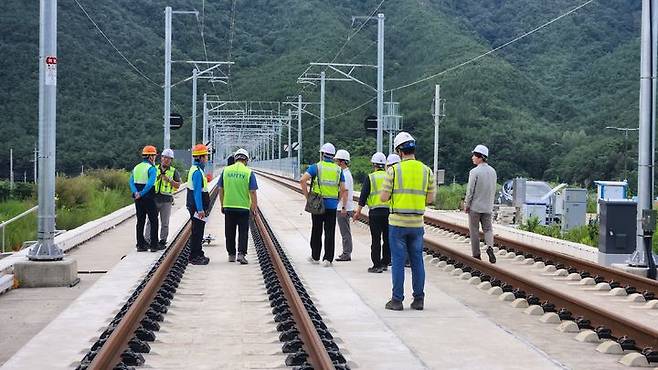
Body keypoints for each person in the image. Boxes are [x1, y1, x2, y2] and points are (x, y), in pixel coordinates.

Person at [381, 132, 435, 311]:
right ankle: (418, 299)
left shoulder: (393, 171)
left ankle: (397, 300)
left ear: (399, 151)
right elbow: (430, 199)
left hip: (397, 223)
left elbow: (383, 197)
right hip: (417, 224)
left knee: (397, 261)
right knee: (417, 261)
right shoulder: (427, 171)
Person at [300, 143, 347, 267]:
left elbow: (303, 180)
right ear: (333, 156)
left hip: (318, 204)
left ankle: (315, 257)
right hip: (332, 205)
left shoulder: (316, 167)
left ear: (322, 154)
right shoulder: (338, 170)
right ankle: (328, 259)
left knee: (316, 230)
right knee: (330, 232)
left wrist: (308, 197)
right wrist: (337, 200)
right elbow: (343, 189)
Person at [219, 148, 258, 265]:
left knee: (229, 231)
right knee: (243, 231)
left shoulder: (225, 171)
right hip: (243, 207)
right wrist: (254, 207)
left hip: (228, 206)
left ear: (235, 158)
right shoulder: (248, 172)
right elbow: (252, 192)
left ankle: (231, 254)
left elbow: (220, 189)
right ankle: (241, 254)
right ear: (246, 160)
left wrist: (222, 204)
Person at [354, 152, 390, 273]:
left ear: (374, 164)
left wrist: (358, 212)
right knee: (387, 239)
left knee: (376, 239)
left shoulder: (371, 177)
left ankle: (377, 265)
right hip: (388, 212)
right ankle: (385, 262)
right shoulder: (389, 176)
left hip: (375, 213)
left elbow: (363, 196)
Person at [465, 144, 497, 264]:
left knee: (474, 230)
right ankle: (490, 247)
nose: (473, 157)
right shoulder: (493, 171)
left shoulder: (474, 172)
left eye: (474, 155)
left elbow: (470, 191)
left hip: (475, 207)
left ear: (480, 157)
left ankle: (476, 254)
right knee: (488, 229)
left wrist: (467, 204)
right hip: (488, 206)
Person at [145, 148, 181, 249]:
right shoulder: (154, 169)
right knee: (150, 221)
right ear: (161, 158)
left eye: (168, 159)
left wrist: (170, 180)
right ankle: (147, 240)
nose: (166, 160)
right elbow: (148, 182)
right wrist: (157, 178)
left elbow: (178, 185)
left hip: (166, 200)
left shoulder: (174, 171)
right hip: (154, 198)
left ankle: (162, 241)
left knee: (165, 223)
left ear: (171, 160)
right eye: (165, 158)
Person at [129, 145, 159, 252]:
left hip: (138, 198)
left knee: (140, 221)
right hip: (148, 197)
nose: (155, 158)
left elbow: (131, 181)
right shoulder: (152, 169)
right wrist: (141, 193)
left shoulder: (136, 167)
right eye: (154, 156)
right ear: (150, 157)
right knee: (153, 220)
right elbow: (150, 184)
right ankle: (154, 245)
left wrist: (136, 193)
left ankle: (140, 245)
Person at [187, 144, 211, 265]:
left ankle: (198, 252)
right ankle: (194, 256)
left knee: (199, 231)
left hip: (196, 205)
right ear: (201, 158)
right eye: (206, 156)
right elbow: (197, 192)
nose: (207, 158)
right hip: (197, 207)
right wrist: (200, 209)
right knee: (197, 232)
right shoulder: (197, 172)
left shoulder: (197, 170)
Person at [334, 149, 354, 262]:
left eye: (337, 161)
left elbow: (345, 192)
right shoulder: (346, 173)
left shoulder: (345, 175)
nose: (336, 163)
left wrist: (343, 207)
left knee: (345, 232)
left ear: (342, 162)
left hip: (343, 208)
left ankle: (346, 254)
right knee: (345, 232)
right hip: (345, 206)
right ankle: (346, 252)